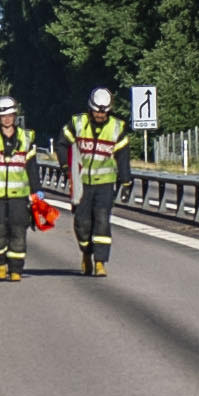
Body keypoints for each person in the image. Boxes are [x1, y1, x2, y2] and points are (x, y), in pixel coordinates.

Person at [65, 87, 132, 276]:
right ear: (90, 109)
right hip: (81, 183)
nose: (100, 115)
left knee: (102, 221)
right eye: (97, 111)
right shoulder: (77, 123)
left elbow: (123, 157)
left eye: (104, 112)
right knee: (82, 224)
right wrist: (66, 167)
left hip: (105, 183)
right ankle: (86, 253)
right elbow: (64, 145)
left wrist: (126, 181)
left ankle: (100, 262)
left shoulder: (117, 128)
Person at [0, 96, 35, 281]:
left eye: (10, 114)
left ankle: (16, 269)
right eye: (3, 115)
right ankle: (0, 262)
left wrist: (37, 189)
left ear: (15, 115)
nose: (7, 119)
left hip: (19, 196)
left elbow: (32, 167)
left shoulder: (26, 139)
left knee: (18, 231)